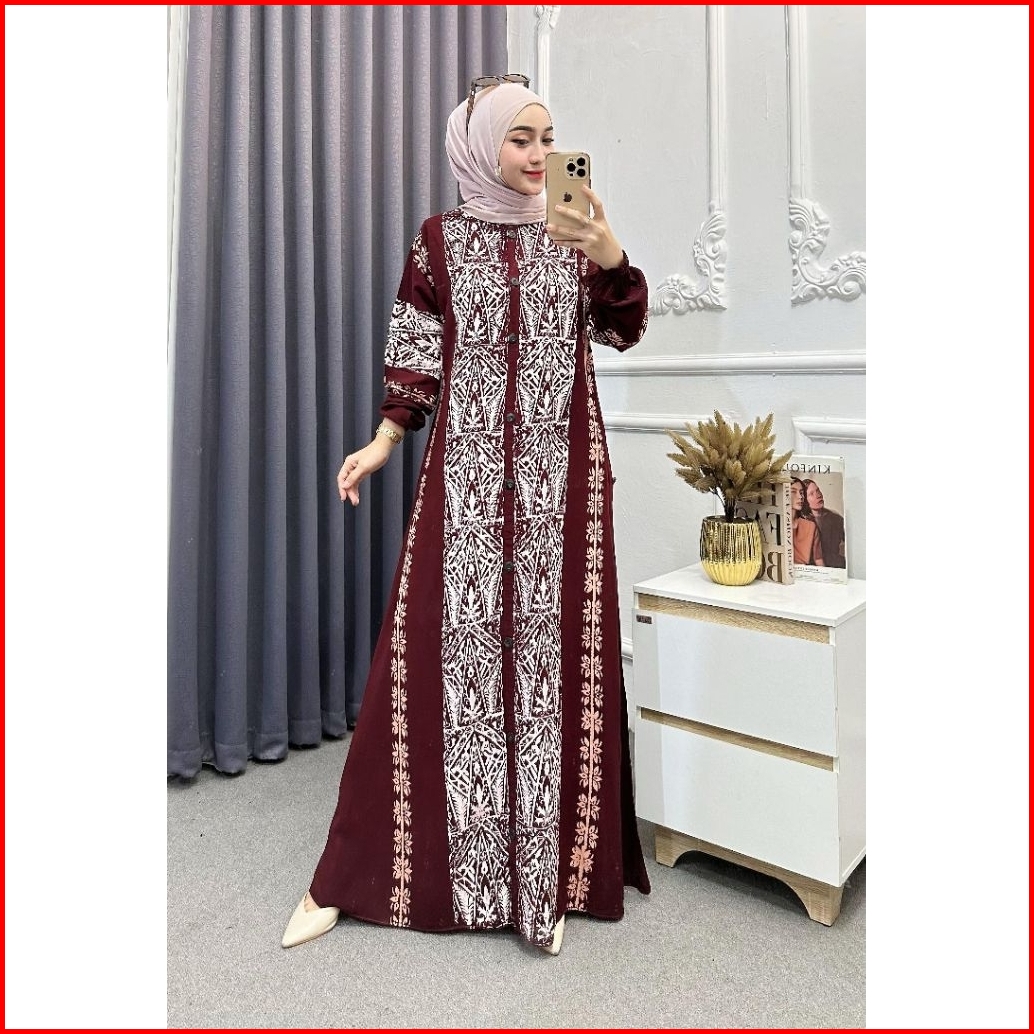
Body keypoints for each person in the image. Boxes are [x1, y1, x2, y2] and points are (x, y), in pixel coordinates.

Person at [281, 75, 651, 957]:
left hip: (562, 483)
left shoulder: (575, 235)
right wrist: (383, 439)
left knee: (551, 666)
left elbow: (623, 329)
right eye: (520, 138)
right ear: (482, 145)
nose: (537, 155)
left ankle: (547, 877)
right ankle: (353, 875)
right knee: (436, 660)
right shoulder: (439, 241)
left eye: (547, 137)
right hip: (470, 479)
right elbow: (416, 354)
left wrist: (608, 251)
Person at [804, 479, 846, 569]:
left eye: (818, 490)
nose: (818, 495)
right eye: (811, 494)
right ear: (805, 501)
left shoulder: (836, 518)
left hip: (835, 566)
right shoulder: (803, 523)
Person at [790, 477, 824, 567]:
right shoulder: (775, 525)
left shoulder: (811, 526)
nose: (800, 497)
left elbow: (818, 559)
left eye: (801, 493)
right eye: (793, 492)